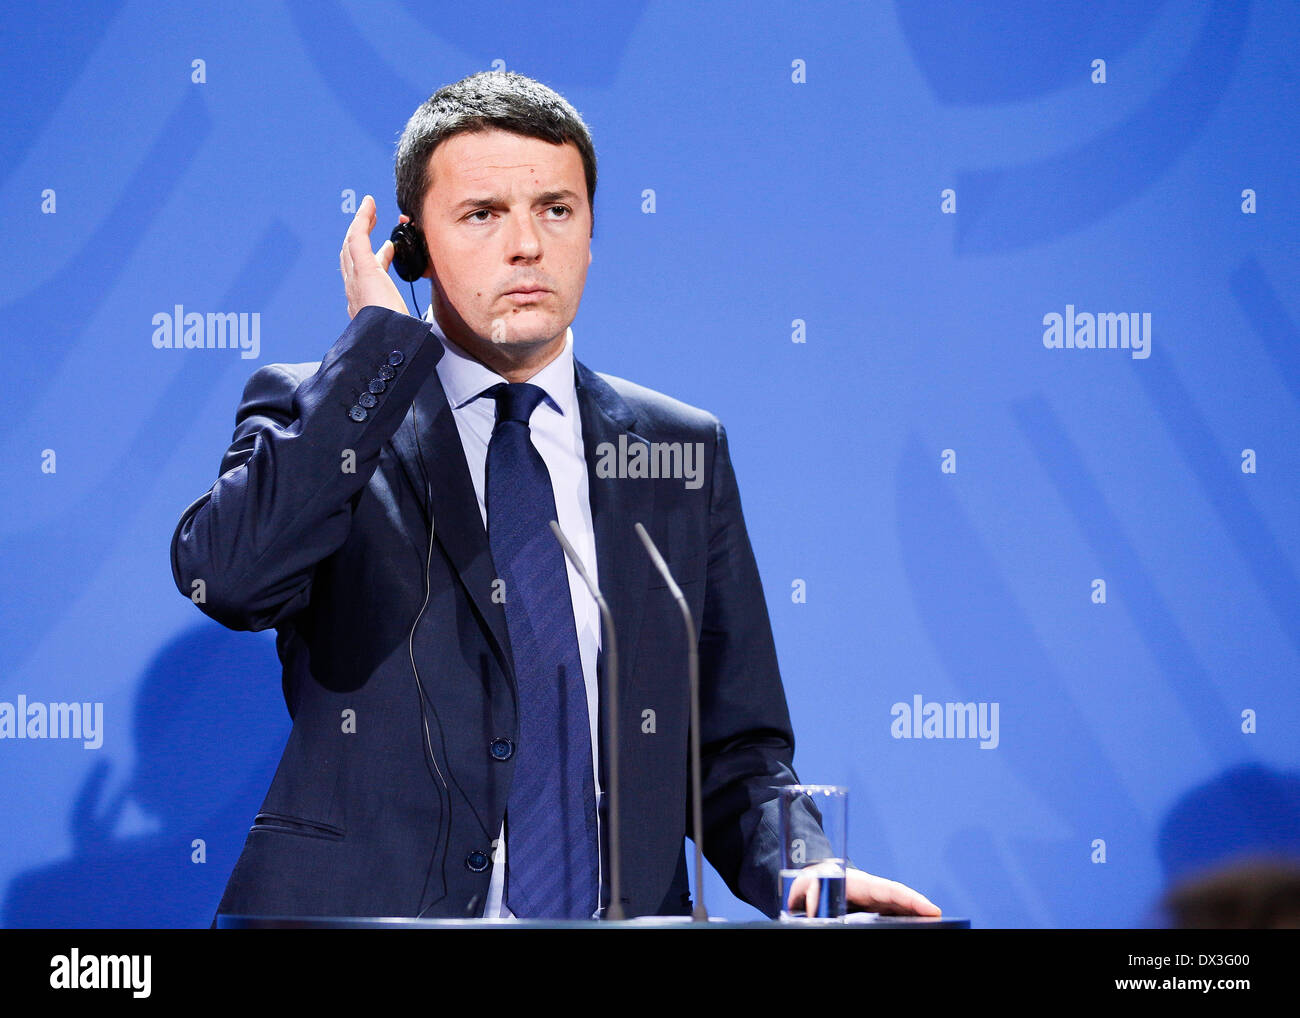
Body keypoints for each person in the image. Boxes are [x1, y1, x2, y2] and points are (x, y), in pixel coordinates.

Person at [172, 70, 939, 922]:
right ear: (412, 245)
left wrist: (807, 868)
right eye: (482, 215)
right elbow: (230, 578)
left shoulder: (681, 450)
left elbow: (738, 750)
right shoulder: (327, 411)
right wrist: (373, 354)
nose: (527, 245)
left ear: (590, 231)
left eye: (557, 209)